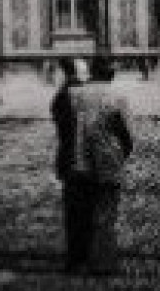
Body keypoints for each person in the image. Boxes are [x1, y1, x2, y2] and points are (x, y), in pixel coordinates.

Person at [54, 56, 134, 275]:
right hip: (108, 161)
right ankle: (103, 262)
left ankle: (77, 260)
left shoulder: (73, 94)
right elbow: (126, 133)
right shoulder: (117, 96)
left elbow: (63, 126)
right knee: (106, 212)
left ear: (92, 73)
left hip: (78, 161)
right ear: (112, 74)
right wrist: (123, 152)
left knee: (79, 213)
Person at [50, 58, 89, 272]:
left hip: (69, 158)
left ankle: (76, 257)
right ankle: (87, 253)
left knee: (73, 211)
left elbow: (58, 120)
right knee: (88, 208)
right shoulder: (86, 93)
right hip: (88, 158)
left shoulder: (63, 96)